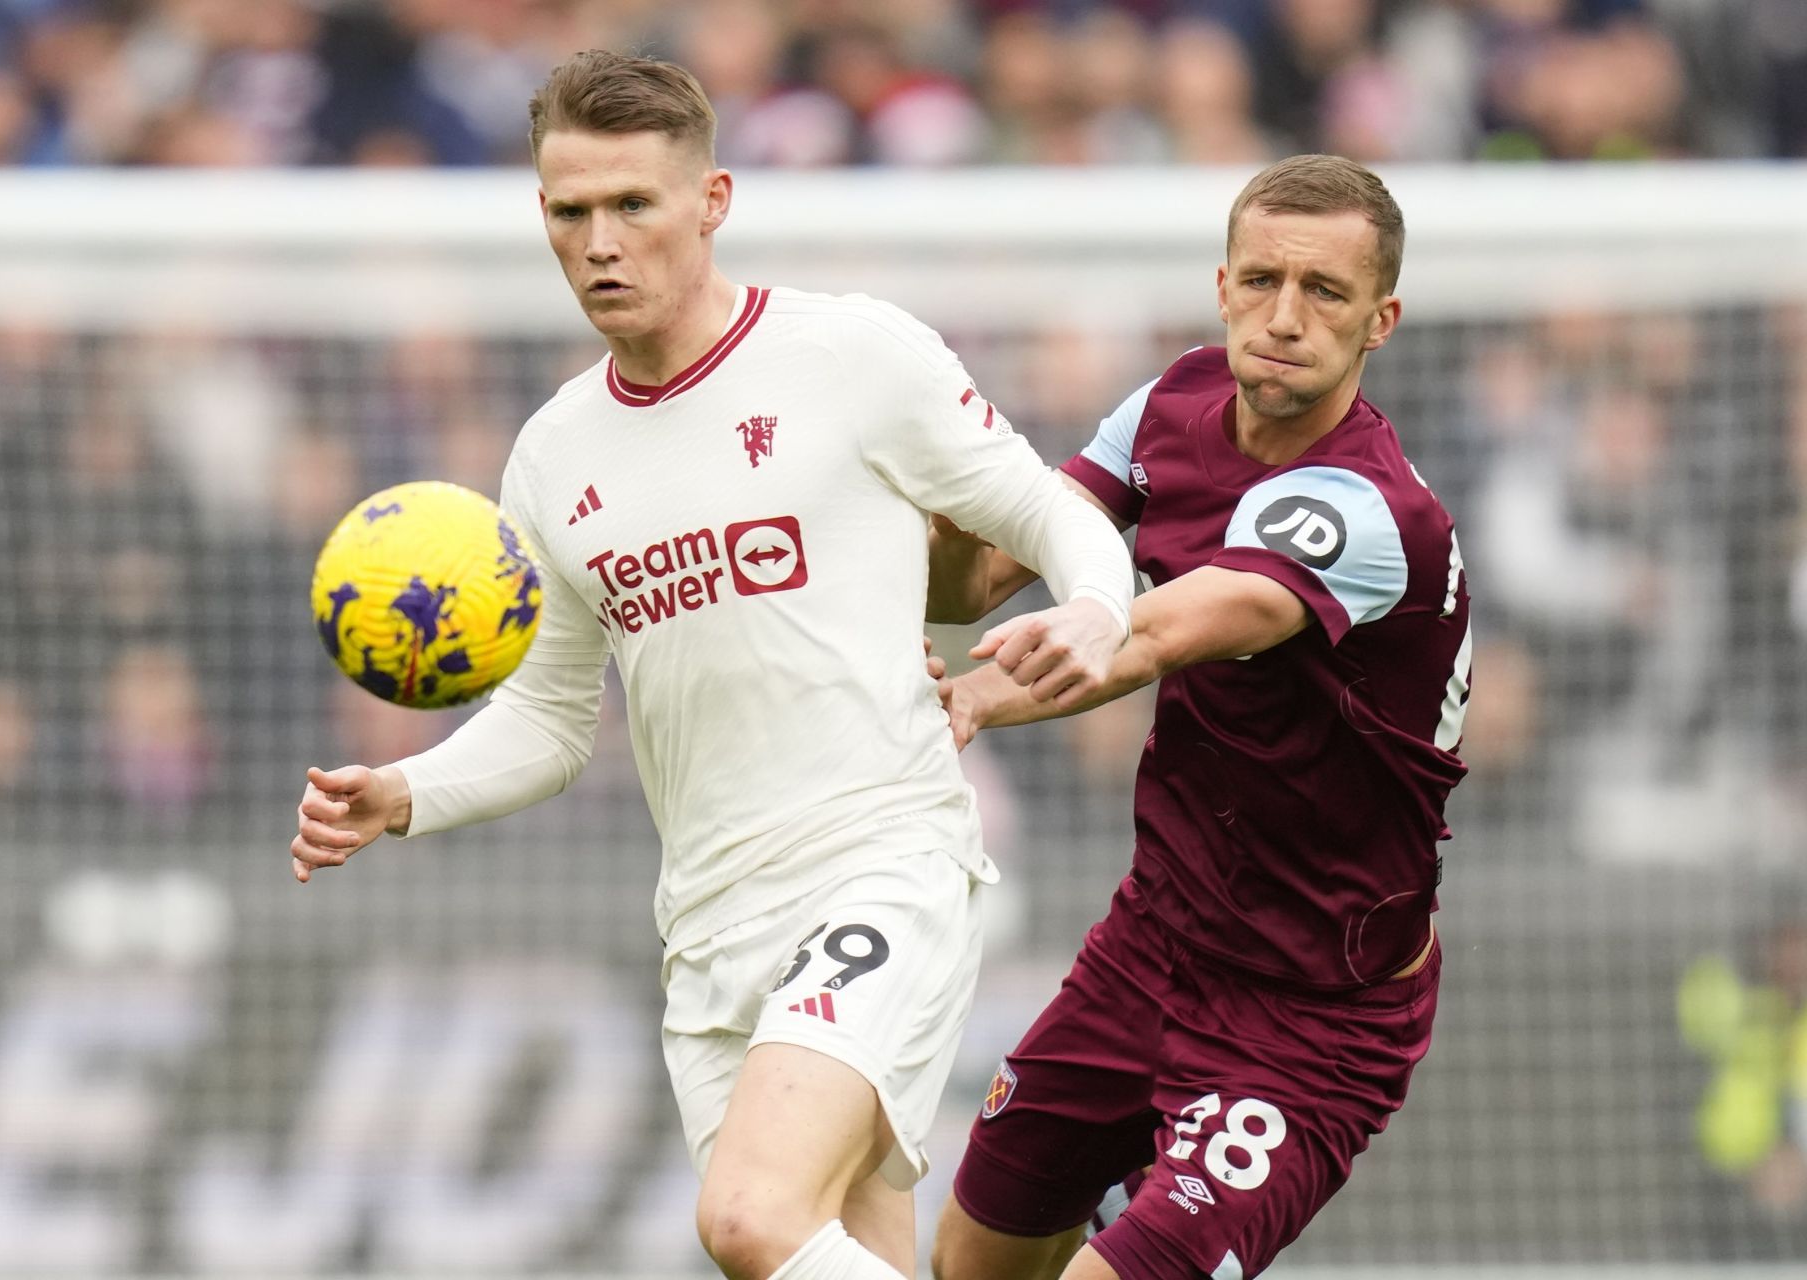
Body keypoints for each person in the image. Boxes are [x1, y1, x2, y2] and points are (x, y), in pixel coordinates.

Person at [288, 50, 1136, 1280]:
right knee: (842, 1249)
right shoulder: (551, 454)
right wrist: (404, 791)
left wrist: (1100, 608)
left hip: (879, 859)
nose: (600, 241)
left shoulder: (854, 356)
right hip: (709, 929)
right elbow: (549, 723)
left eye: (634, 203)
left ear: (713, 200)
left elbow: (1049, 513)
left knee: (748, 1217)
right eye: (570, 211)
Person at [924, 154, 1471, 1280]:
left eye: (1324, 291)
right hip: (1151, 944)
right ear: (1222, 286)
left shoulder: (1371, 510)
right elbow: (973, 583)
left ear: (1383, 319)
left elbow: (1157, 631)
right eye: (1262, 278)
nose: (1284, 315)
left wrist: (974, 692)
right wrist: (924, 488)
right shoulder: (1169, 401)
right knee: (973, 1259)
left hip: (1310, 1012)